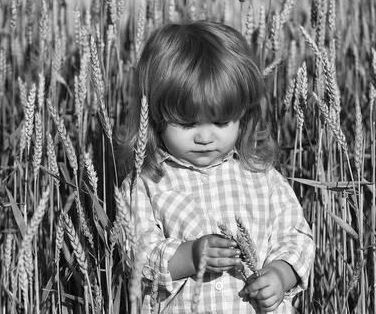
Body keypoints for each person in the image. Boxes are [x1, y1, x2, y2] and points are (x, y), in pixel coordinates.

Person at [119, 21, 315, 313]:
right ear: (156, 115)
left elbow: (296, 237)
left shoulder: (261, 175)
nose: (205, 137)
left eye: (221, 122)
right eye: (187, 123)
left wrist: (280, 274)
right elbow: (135, 254)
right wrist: (191, 257)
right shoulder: (146, 183)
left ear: (242, 115)